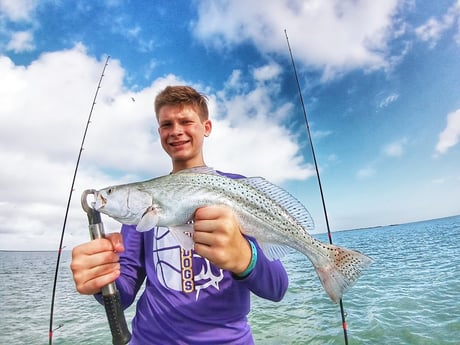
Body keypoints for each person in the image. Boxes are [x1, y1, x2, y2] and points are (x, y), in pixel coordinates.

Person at [71, 85, 289, 344]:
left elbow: (277, 288)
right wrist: (102, 278)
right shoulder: (139, 215)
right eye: (166, 124)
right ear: (159, 132)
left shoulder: (239, 190)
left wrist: (245, 257)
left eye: (186, 121)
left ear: (206, 127)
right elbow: (125, 290)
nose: (176, 131)